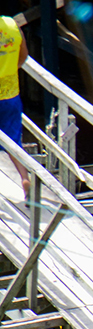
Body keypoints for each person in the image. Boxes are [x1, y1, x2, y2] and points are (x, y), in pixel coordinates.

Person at [0, 15, 30, 197]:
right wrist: (11, 69)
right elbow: (24, 55)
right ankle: (25, 179)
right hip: (10, 94)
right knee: (14, 143)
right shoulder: (12, 25)